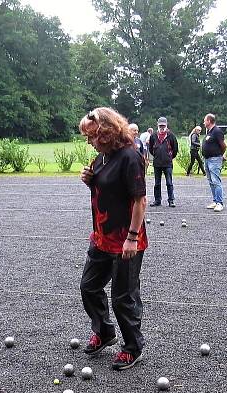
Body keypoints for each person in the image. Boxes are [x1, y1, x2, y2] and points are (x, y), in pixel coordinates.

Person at [78, 107, 148, 370]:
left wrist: (131, 237)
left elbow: (140, 200)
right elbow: (107, 190)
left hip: (126, 239)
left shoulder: (130, 157)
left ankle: (133, 347)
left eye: (92, 136)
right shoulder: (102, 158)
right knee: (89, 286)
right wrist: (90, 180)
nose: (89, 141)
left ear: (107, 132)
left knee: (123, 296)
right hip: (102, 237)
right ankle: (105, 332)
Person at [147, 117, 178, 207]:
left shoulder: (171, 135)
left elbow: (175, 149)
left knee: (169, 183)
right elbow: (151, 149)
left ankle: (171, 200)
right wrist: (156, 156)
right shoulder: (153, 136)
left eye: (163, 125)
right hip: (157, 163)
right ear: (157, 125)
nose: (162, 127)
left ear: (166, 125)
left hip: (168, 163)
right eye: (160, 125)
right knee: (157, 183)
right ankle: (157, 200)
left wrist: (169, 157)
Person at [201, 113, 226, 212]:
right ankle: (215, 201)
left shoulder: (217, 131)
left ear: (209, 121)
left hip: (215, 159)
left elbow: (223, 145)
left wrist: (220, 155)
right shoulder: (209, 132)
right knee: (211, 181)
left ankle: (220, 203)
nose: (203, 122)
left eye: (205, 120)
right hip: (207, 159)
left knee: (216, 181)